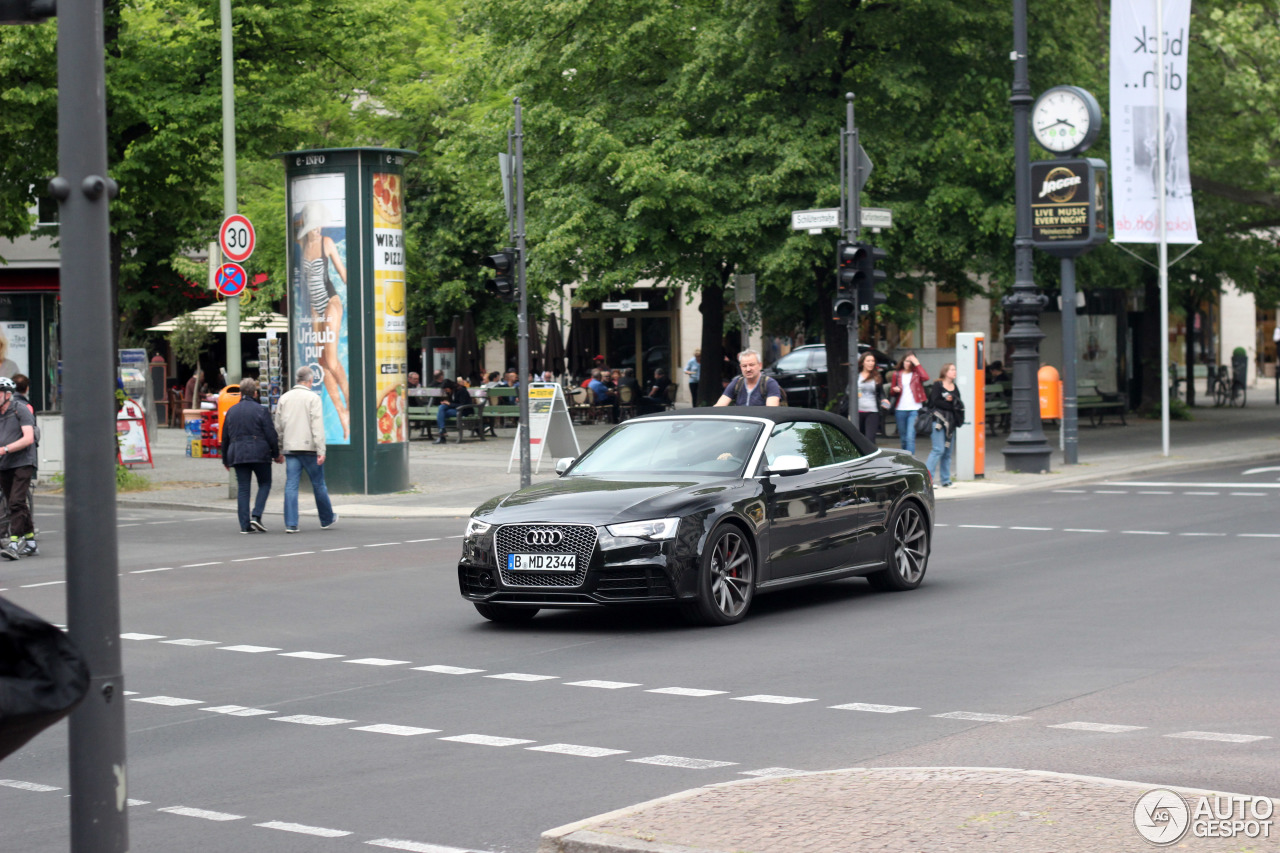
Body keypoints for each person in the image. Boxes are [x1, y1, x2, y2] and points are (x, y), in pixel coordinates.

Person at [294, 200, 351, 439]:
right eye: (313, 226)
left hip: (330, 301)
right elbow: (294, 226)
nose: (317, 230)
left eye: (319, 225)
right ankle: (341, 413)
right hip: (314, 308)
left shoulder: (326, 243)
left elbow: (340, 270)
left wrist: (357, 296)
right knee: (322, 364)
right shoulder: (302, 243)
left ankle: (351, 402)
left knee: (331, 358)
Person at [275, 366, 337, 534]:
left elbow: (278, 426)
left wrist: (280, 448)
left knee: (291, 485)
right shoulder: (313, 398)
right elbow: (317, 426)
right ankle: (326, 518)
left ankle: (291, 523)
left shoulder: (284, 398)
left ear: (297, 379)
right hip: (309, 448)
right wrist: (321, 449)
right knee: (318, 484)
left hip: (290, 447)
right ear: (310, 381)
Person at [221, 378, 282, 534]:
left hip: (237, 453)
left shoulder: (231, 411)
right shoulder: (261, 410)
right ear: (255, 393)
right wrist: (276, 453)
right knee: (265, 483)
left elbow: (225, 437)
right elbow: (270, 434)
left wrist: (226, 459)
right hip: (259, 452)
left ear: (241, 393)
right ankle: (256, 515)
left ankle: (244, 525)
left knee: (243, 489)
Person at [0, 377, 37, 559]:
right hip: (4, 464)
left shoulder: (19, 409)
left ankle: (14, 544)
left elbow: (28, 438)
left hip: (23, 461)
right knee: (16, 503)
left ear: (8, 395)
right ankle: (31, 542)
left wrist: (4, 449)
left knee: (15, 502)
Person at [925, 363, 965, 488]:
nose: (954, 372)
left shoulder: (955, 387)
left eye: (955, 370)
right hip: (938, 421)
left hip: (951, 423)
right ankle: (928, 480)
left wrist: (951, 402)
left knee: (948, 452)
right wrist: (948, 403)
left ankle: (946, 480)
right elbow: (934, 401)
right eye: (952, 370)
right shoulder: (938, 385)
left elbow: (958, 404)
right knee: (938, 449)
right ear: (945, 372)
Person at [888, 351, 930, 453]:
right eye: (907, 361)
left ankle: (911, 461)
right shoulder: (897, 374)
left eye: (911, 362)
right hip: (900, 409)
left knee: (910, 437)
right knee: (903, 438)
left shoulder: (917, 374)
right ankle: (905, 460)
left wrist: (917, 363)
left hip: (915, 409)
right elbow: (891, 392)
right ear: (903, 361)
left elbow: (926, 377)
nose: (908, 363)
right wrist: (895, 389)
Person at [715, 349, 781, 407]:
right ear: (740, 367)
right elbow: (719, 406)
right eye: (744, 366)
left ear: (760, 365)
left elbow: (771, 411)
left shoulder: (770, 384)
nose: (748, 369)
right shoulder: (737, 383)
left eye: (751, 365)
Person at [855, 352, 888, 441]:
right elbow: (848, 391)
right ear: (862, 362)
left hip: (872, 411)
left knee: (870, 439)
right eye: (868, 361)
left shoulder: (877, 376)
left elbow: (881, 392)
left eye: (872, 361)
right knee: (859, 439)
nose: (871, 363)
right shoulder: (856, 376)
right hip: (858, 411)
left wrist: (884, 400)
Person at [434, 377, 473, 444]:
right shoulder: (452, 392)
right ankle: (442, 430)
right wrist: (447, 403)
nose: (446, 391)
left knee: (440, 414)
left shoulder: (461, 390)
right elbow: (453, 404)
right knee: (441, 407)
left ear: (450, 387)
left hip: (464, 411)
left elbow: (462, 404)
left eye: (446, 389)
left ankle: (442, 435)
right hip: (456, 410)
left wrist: (449, 404)